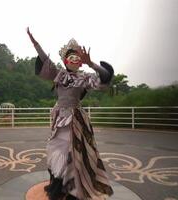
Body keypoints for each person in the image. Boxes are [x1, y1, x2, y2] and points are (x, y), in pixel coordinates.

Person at [27, 28, 114, 200]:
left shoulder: (84, 78)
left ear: (80, 62)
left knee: (73, 154)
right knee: (56, 150)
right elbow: (45, 60)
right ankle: (58, 185)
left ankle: (74, 190)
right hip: (59, 117)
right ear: (65, 60)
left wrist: (91, 63)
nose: (74, 60)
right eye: (71, 57)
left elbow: (104, 78)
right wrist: (35, 44)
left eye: (77, 58)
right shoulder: (58, 74)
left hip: (75, 119)